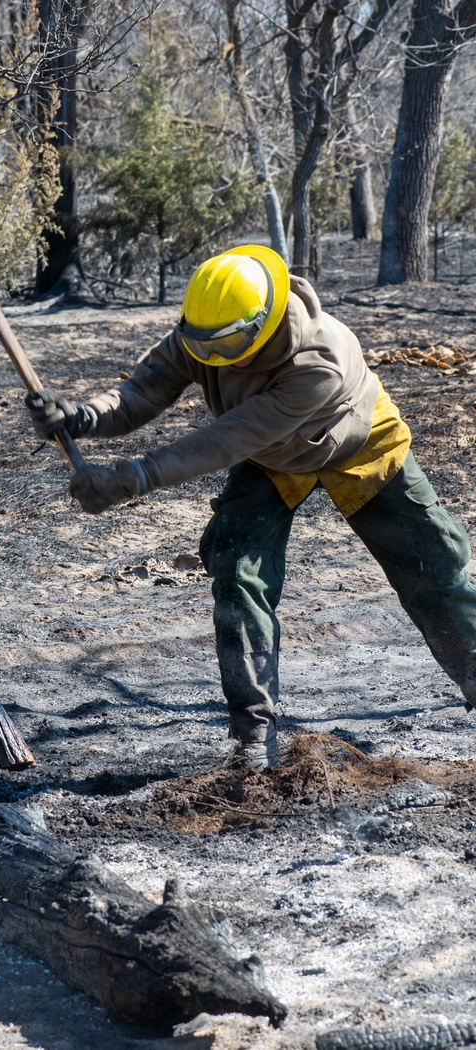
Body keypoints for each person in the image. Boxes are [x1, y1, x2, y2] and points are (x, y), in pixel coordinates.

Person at [26, 243, 476, 770]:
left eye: (227, 347)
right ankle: (252, 734)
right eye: (203, 345)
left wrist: (131, 478)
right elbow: (145, 390)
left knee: (435, 570)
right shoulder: (210, 326)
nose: (211, 359)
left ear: (262, 324)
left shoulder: (319, 361)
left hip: (357, 443)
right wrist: (83, 416)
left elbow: (226, 438)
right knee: (238, 572)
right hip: (272, 457)